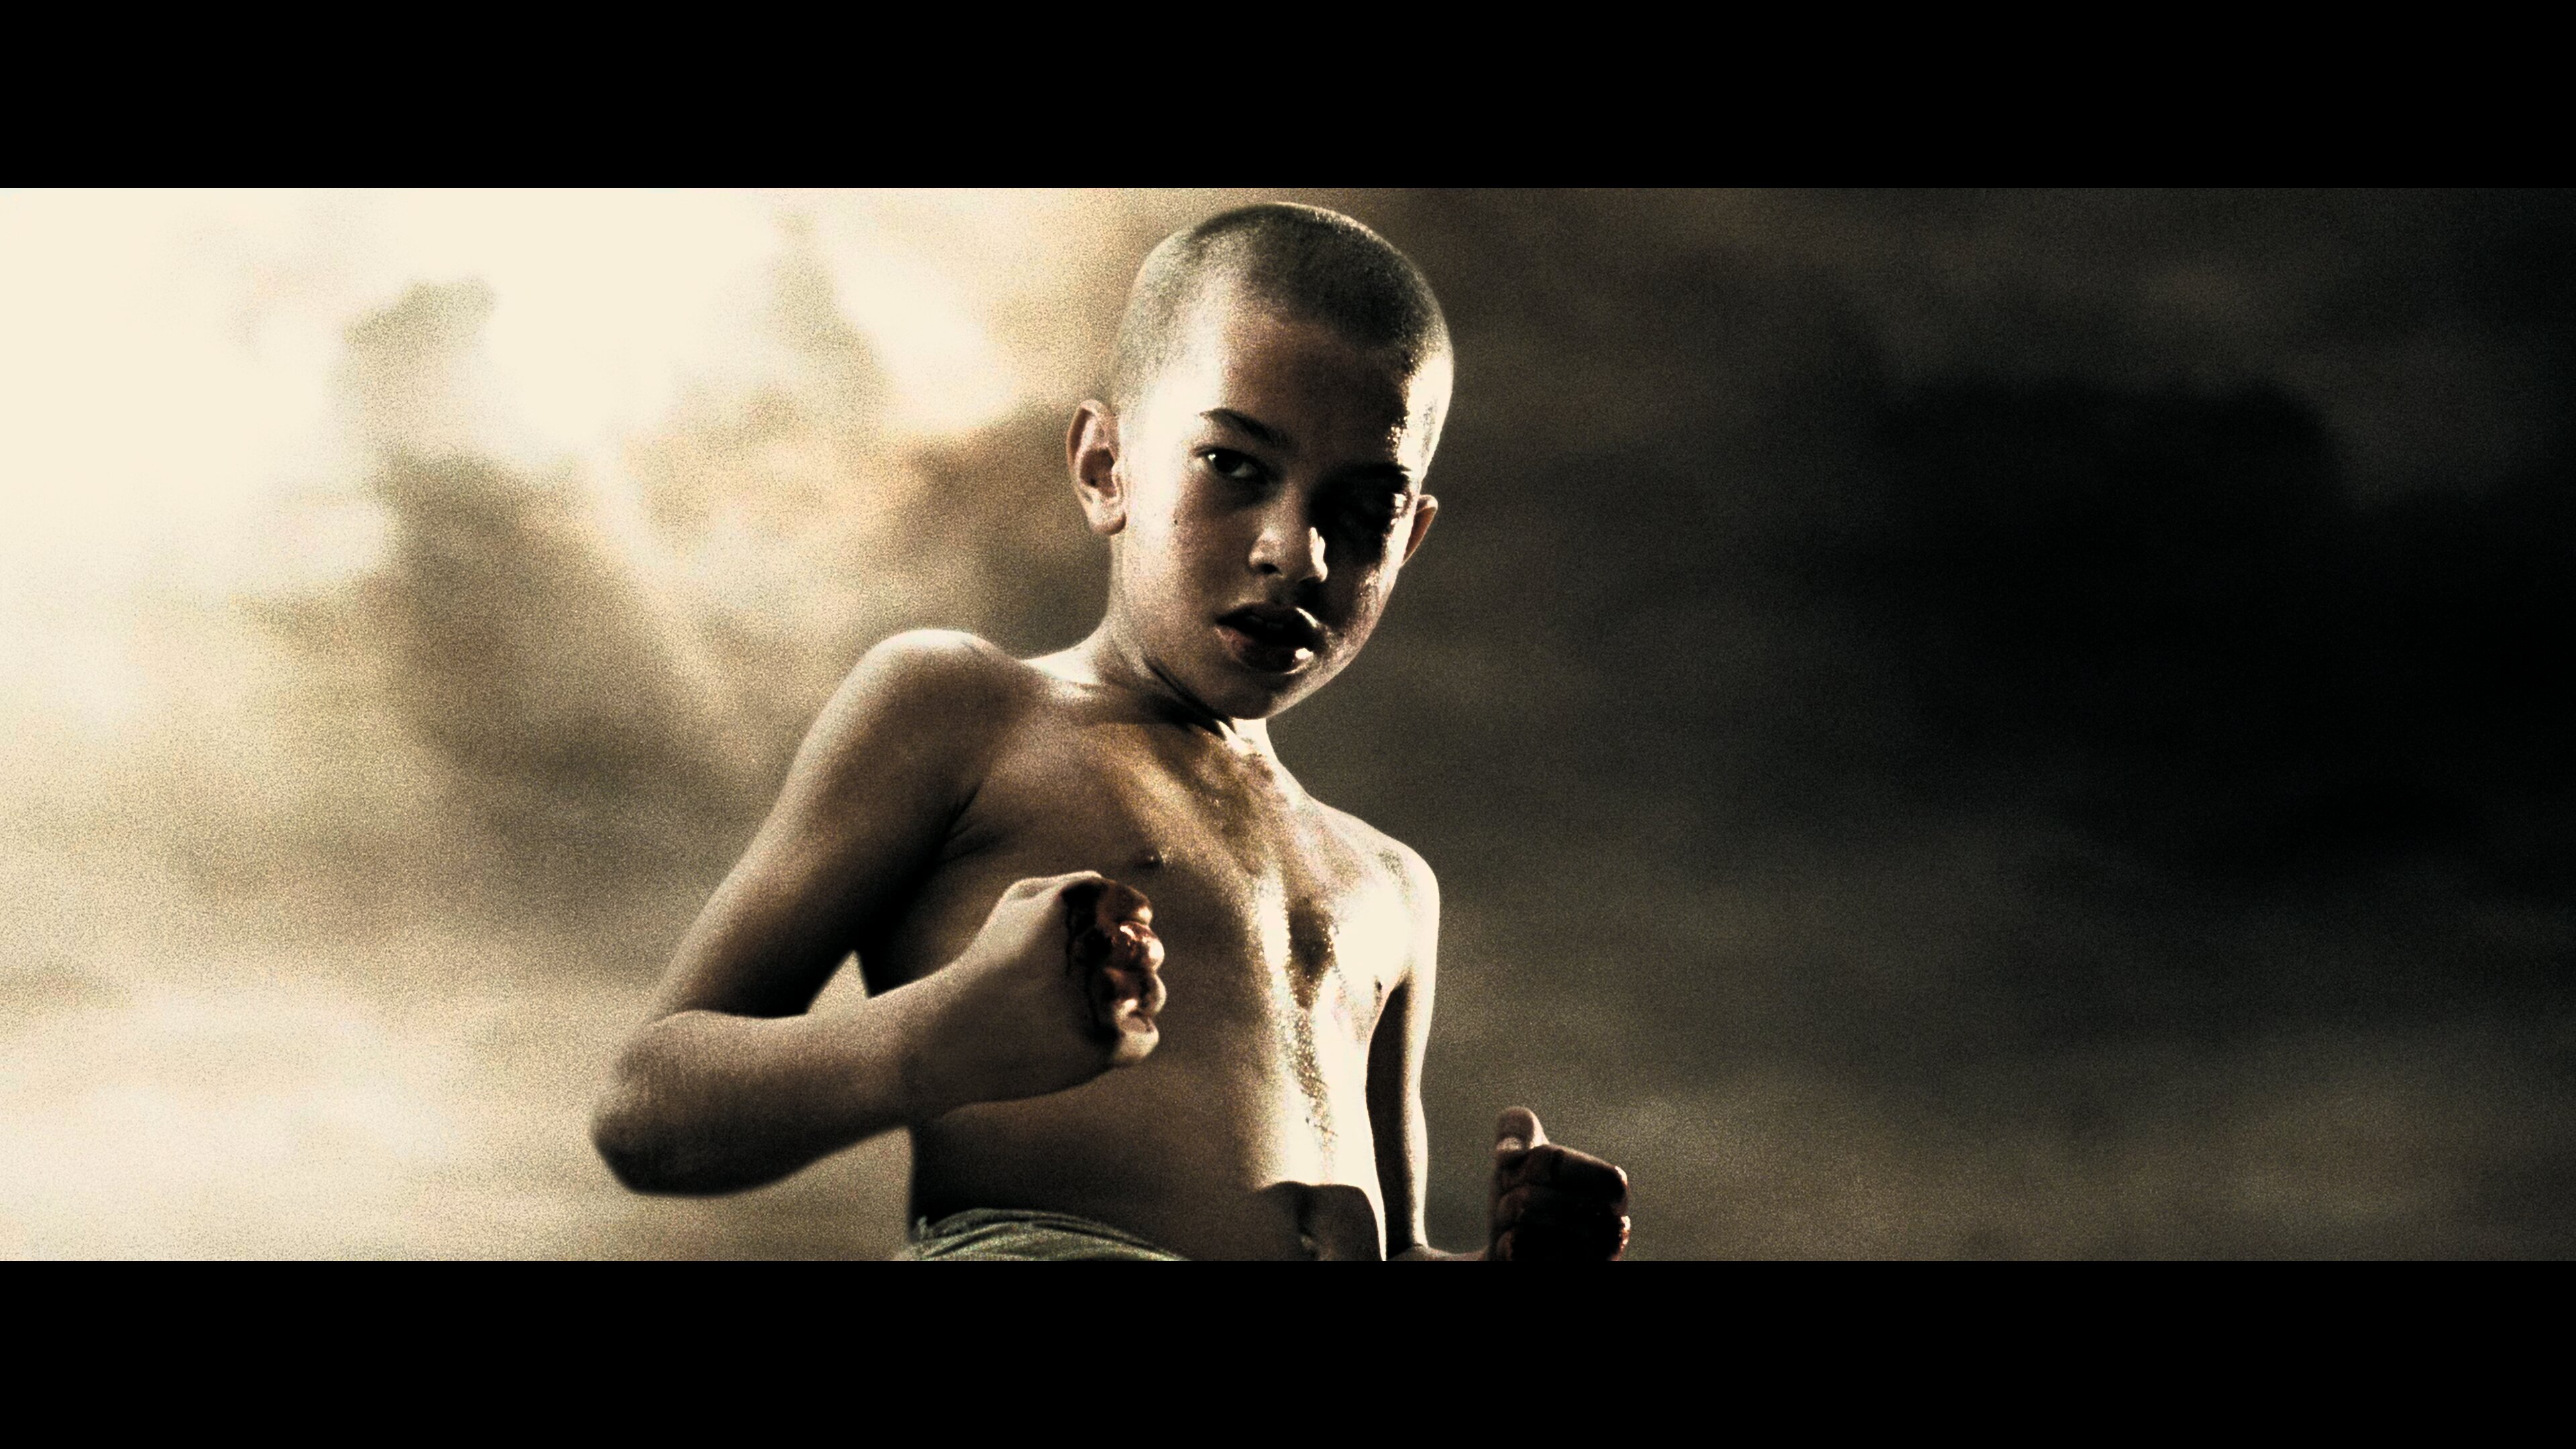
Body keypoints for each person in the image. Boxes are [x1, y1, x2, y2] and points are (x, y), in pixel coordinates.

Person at [591, 203, 1633, 1260]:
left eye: (1364, 510)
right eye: (1234, 465)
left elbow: (1395, 1246)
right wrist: (944, 1037)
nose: (1298, 551)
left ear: (1408, 540)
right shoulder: (966, 710)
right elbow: (647, 1108)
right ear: (1106, 468)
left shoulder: (1394, 887)